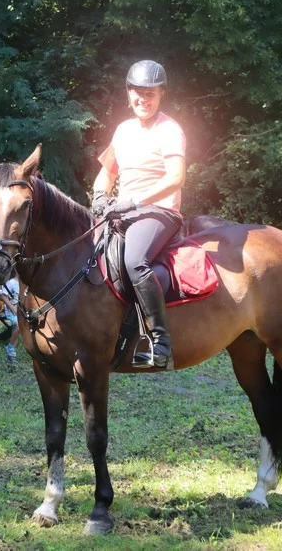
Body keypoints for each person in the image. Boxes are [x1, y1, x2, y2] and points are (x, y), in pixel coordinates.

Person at [91, 60, 185, 370]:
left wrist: (131, 200)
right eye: (137, 93)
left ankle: (160, 342)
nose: (142, 100)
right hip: (123, 211)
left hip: (159, 212)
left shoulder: (170, 130)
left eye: (150, 94)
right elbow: (106, 173)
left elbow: (175, 178)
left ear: (162, 95)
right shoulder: (123, 130)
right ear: (128, 93)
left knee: (134, 261)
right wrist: (100, 197)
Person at [1, 273, 20, 364]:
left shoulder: (24, 284)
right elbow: (3, 296)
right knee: (19, 325)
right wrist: (12, 308)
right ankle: (10, 347)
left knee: (17, 329)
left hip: (21, 312)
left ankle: (12, 353)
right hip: (11, 311)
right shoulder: (11, 283)